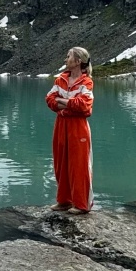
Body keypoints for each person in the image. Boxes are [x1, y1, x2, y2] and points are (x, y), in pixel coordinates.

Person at [45, 46, 94, 213]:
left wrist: (63, 102)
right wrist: (68, 104)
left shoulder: (86, 82)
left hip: (78, 126)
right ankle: (64, 200)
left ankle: (82, 204)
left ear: (78, 61)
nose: (65, 60)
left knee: (78, 164)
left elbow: (84, 106)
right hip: (61, 124)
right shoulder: (61, 80)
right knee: (61, 162)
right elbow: (50, 100)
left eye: (68, 56)